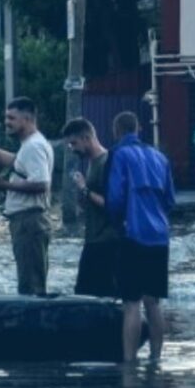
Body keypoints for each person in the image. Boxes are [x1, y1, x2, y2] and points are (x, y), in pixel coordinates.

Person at [106, 112, 175, 363]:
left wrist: (117, 224)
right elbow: (170, 200)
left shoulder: (118, 155)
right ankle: (156, 358)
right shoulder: (160, 157)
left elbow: (115, 199)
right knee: (153, 302)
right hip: (160, 236)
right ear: (139, 129)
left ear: (116, 131)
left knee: (132, 303)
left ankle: (129, 361)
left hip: (132, 234)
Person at [0, 97, 54, 295]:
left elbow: (41, 184)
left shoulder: (34, 146)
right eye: (6, 117)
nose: (6, 122)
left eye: (11, 118)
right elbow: (17, 163)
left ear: (27, 119)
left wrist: (4, 185)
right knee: (29, 280)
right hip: (27, 222)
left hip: (30, 222)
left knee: (31, 285)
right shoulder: (30, 145)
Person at [62, 118, 120, 297]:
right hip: (94, 239)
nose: (72, 148)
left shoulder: (107, 162)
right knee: (84, 293)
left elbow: (112, 204)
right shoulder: (91, 162)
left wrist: (84, 189)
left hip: (107, 241)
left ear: (87, 138)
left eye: (74, 143)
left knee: (97, 294)